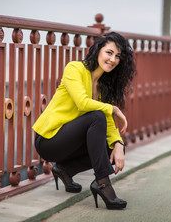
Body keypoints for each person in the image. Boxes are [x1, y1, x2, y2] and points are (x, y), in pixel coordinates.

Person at [32, 32, 136, 210]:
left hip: (70, 144)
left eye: (117, 56)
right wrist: (113, 108)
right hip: (50, 140)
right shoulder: (75, 68)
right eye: (109, 52)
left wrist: (118, 143)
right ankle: (103, 183)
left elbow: (108, 122)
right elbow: (82, 103)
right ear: (97, 50)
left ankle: (65, 169)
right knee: (97, 116)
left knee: (113, 147)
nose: (112, 59)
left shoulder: (103, 84)